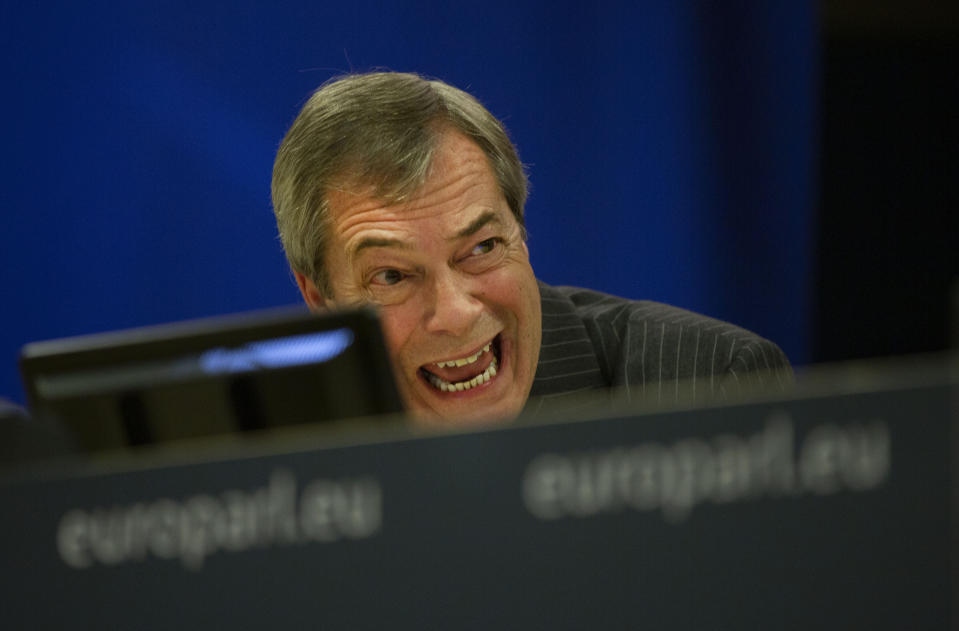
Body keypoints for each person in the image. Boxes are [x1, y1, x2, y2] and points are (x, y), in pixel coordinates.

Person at [271, 72, 790, 426]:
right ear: (319, 300)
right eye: (392, 277)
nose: (454, 314)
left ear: (522, 233)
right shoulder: (268, 454)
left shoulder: (709, 385)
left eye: (482, 247)